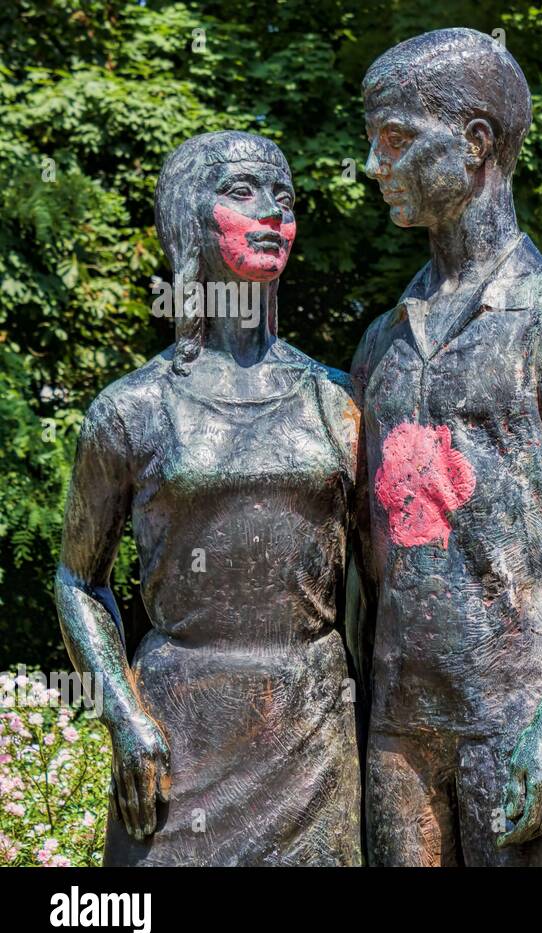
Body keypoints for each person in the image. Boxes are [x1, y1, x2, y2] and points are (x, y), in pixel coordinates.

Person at [352, 28, 542, 866]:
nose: (374, 166)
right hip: (400, 729)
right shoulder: (379, 343)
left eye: (396, 141)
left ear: (476, 143)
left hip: (517, 712)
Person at [55, 131, 364, 866]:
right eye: (243, 192)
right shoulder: (133, 409)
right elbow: (77, 579)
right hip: (178, 723)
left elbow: (378, 583)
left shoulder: (335, 399)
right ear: (192, 217)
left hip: (311, 723)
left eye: (284, 199)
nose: (270, 215)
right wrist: (124, 717)